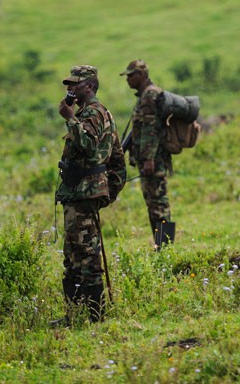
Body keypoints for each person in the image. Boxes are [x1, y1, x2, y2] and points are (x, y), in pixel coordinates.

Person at [55, 65, 122, 323]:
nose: (70, 88)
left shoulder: (94, 113)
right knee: (72, 256)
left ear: (90, 87)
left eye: (75, 84)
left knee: (86, 255)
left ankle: (96, 316)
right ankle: (73, 315)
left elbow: (89, 145)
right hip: (76, 193)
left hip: (84, 194)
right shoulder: (87, 113)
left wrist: (69, 117)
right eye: (68, 85)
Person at [120, 59, 175, 248]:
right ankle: (161, 245)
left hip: (154, 161)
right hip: (149, 160)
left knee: (159, 204)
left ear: (142, 75)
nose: (128, 79)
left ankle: (166, 247)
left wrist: (149, 159)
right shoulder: (144, 95)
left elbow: (151, 129)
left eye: (131, 75)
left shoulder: (150, 96)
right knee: (153, 204)